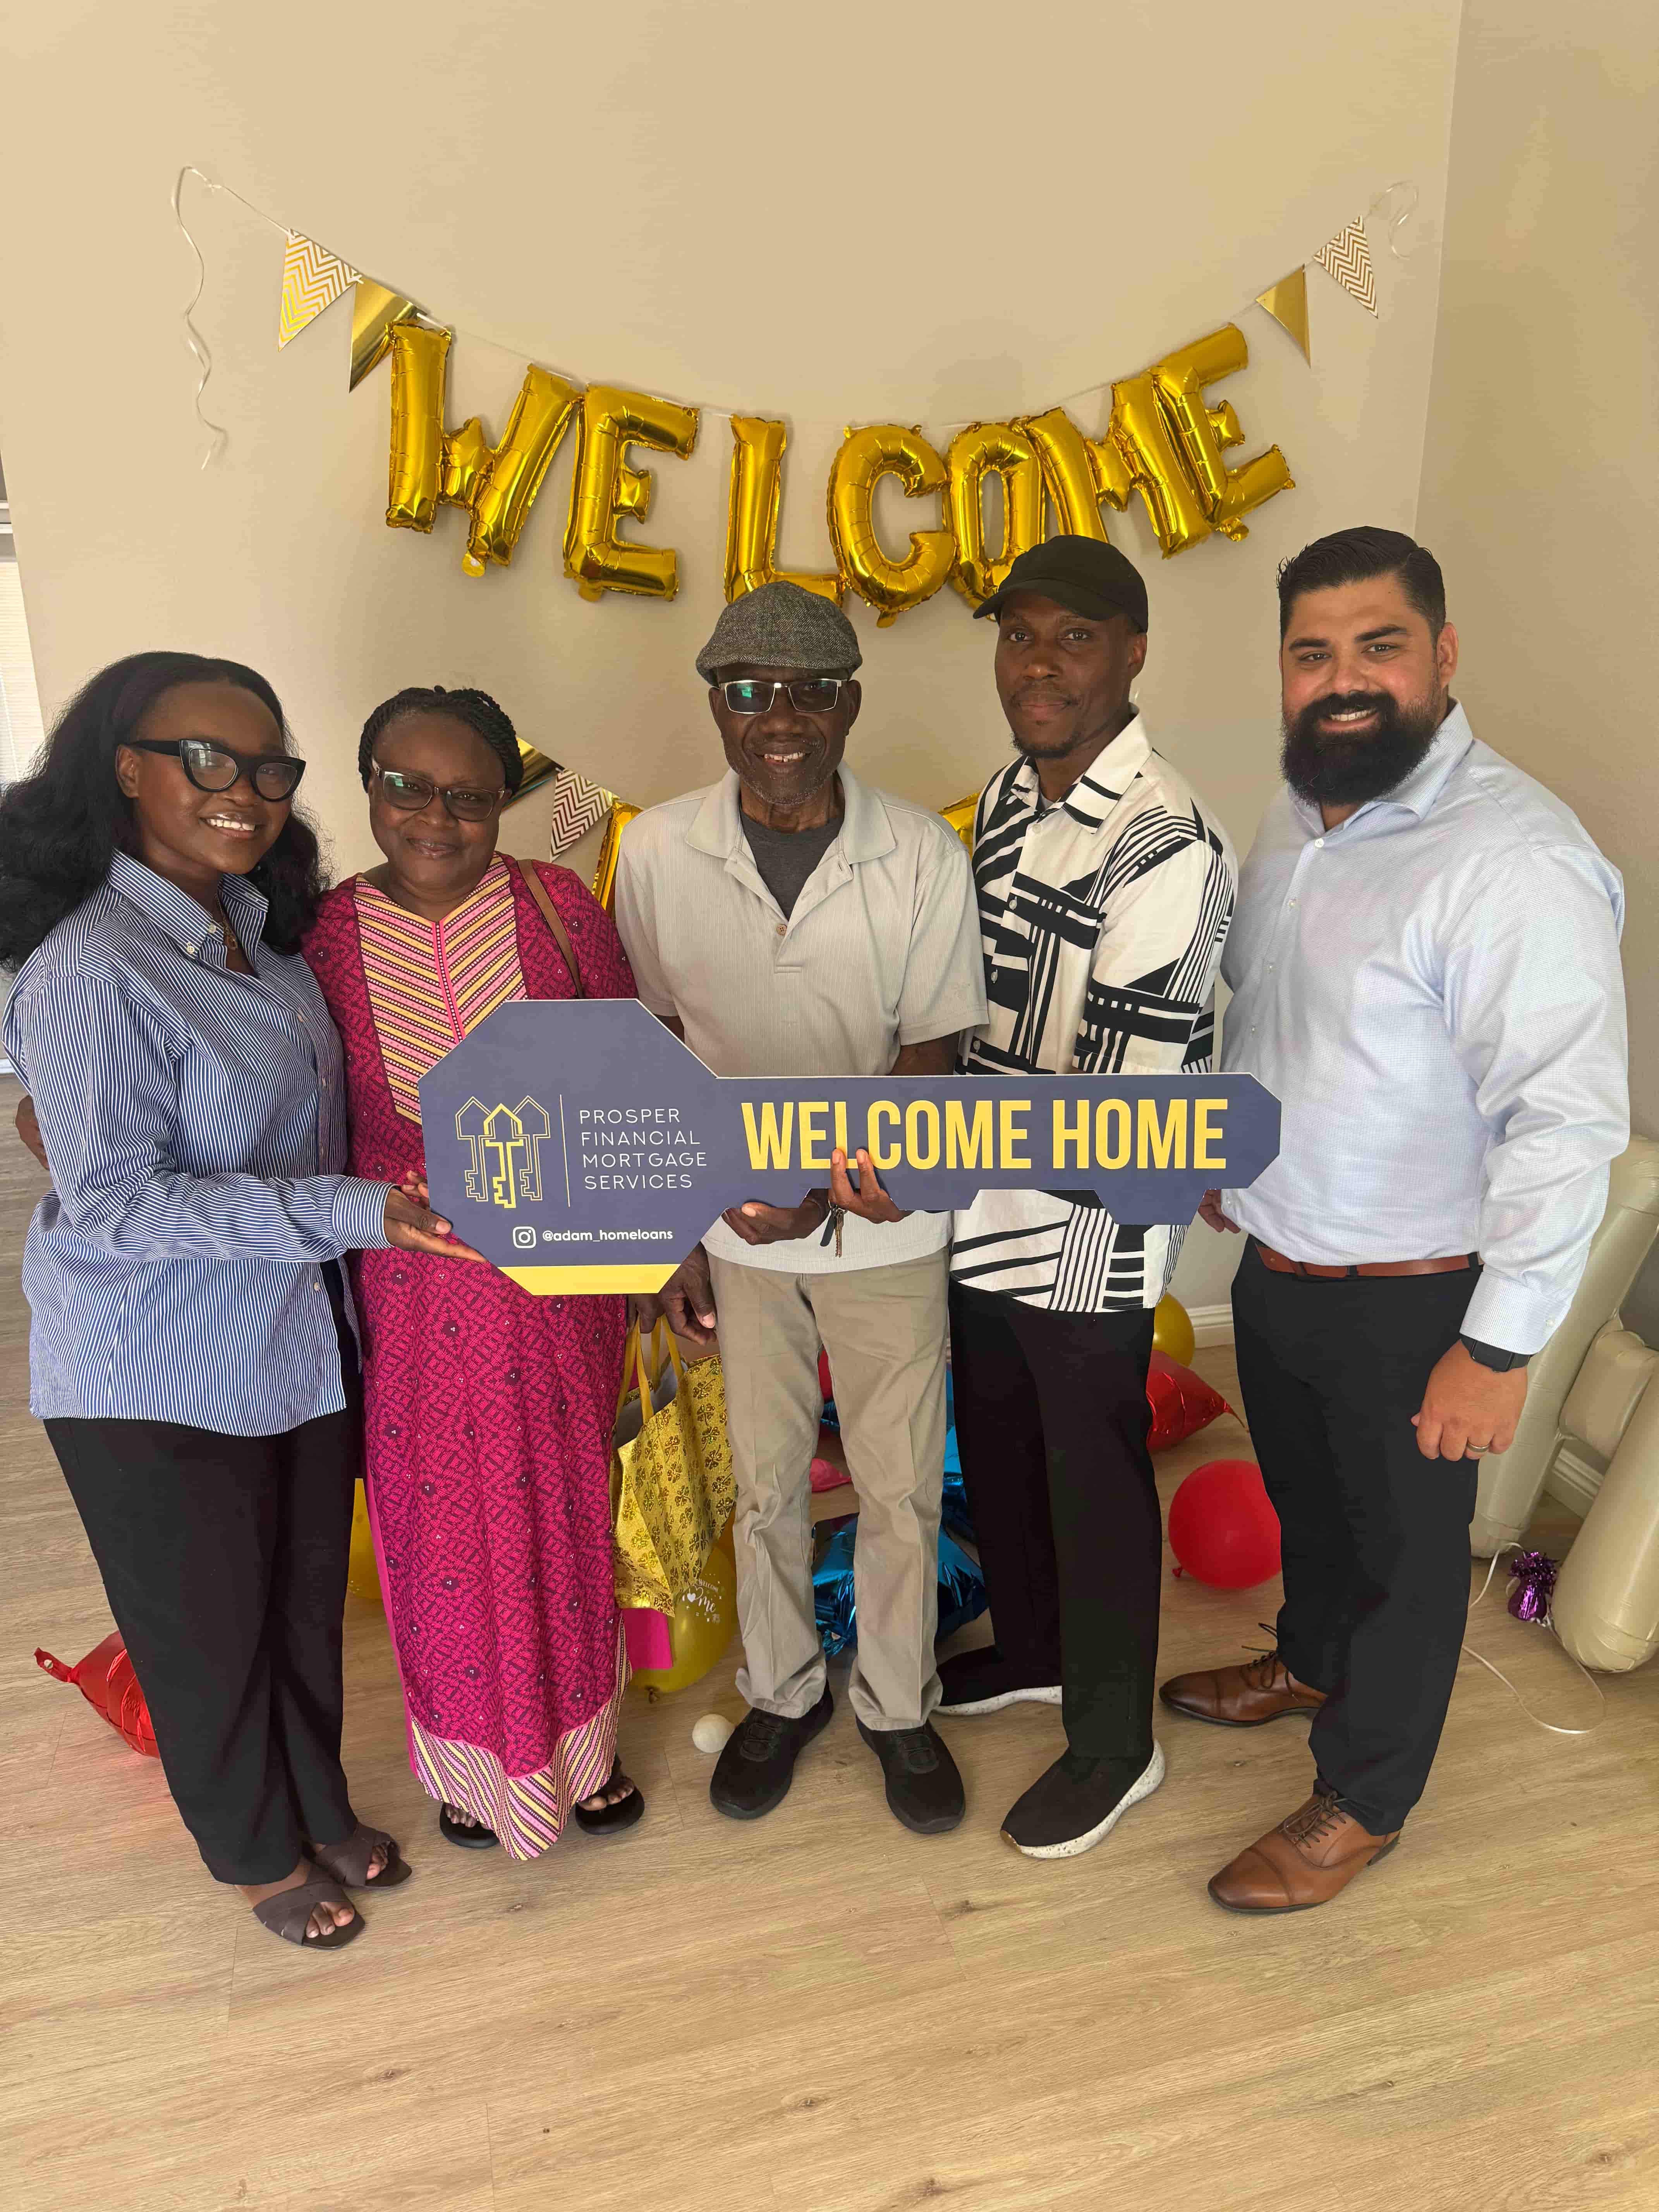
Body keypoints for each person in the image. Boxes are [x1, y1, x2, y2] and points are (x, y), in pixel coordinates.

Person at [1163, 526, 1628, 1913]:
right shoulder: (1301, 815)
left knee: (1408, 1562)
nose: (1343, 678)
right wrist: (1214, 1151)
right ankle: (1307, 1664)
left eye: (1378, 645)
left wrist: (1496, 1349)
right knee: (1313, 1512)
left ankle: (1364, 1795)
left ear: (1441, 655)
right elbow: (1276, 1015)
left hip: (1417, 1292)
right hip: (1281, 1258)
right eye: (1314, 652)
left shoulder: (1513, 858)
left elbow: (1565, 1121)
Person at [0, 652, 470, 1950]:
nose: (245, 792)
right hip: (155, 1364)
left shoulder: (255, 932)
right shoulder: (92, 959)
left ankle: (314, 1803)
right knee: (204, 1632)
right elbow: (118, 1208)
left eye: (268, 767)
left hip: (290, 1344)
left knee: (298, 1604)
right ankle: (256, 1856)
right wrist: (357, 1212)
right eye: (209, 761)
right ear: (128, 768)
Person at [854, 535, 1236, 1862]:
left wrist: (918, 1142)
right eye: (1019, 636)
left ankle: (1114, 1743)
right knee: (999, 1442)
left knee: (1093, 1474)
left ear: (1133, 651)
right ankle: (1031, 1650)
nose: (1038, 664)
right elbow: (968, 1012)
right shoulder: (1006, 799)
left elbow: (1117, 1109)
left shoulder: (1165, 843)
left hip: (1088, 1222)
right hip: (976, 1205)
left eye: (1072, 638)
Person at [615, 580, 988, 1834]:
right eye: (749, 691)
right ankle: (779, 1692)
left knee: (896, 1487)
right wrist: (685, 1224)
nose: (781, 717)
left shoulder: (923, 855)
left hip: (886, 1221)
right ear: (715, 707)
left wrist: (821, 1192)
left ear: (850, 705)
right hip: (734, 1230)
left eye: (811, 691)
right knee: (768, 1485)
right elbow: (653, 1049)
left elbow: (934, 1052)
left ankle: (895, 1703)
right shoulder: (660, 849)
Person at [302, 686, 645, 1858]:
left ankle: (582, 1755)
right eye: (406, 785)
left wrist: (669, 1252)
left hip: (561, 1294)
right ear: (366, 786)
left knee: (561, 1511)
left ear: (505, 802)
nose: (434, 816)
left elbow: (630, 1076)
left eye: (468, 795)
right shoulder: (325, 936)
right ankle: (465, 1765)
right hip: (410, 1301)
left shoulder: (557, 908)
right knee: (436, 1535)